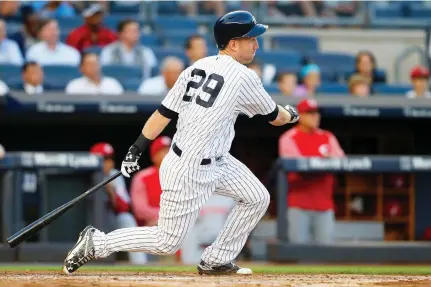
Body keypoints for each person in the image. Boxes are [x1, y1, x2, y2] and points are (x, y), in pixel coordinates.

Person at [63, 10, 299, 276]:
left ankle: (216, 259)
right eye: (251, 39)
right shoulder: (244, 76)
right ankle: (98, 243)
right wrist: (292, 113)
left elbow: (162, 114)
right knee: (167, 241)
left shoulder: (196, 67)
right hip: (189, 168)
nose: (256, 44)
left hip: (218, 160)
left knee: (257, 197)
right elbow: (276, 118)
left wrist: (136, 147)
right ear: (233, 43)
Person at [130, 136, 235, 265]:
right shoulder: (143, 177)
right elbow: (139, 209)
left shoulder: (185, 176)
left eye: (169, 150)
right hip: (152, 223)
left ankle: (206, 262)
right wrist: (166, 216)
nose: (167, 154)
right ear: (153, 156)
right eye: (162, 151)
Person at [278, 98, 344, 244]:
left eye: (316, 113)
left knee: (326, 253)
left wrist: (321, 163)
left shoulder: (327, 137)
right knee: (297, 251)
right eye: (310, 113)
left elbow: (341, 161)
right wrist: (324, 162)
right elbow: (297, 167)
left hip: (325, 203)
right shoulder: (289, 138)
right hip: (299, 203)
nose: (315, 116)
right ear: (300, 116)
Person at [89, 142, 147, 265]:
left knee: (126, 219)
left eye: (110, 158)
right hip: (88, 222)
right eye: (104, 158)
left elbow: (125, 207)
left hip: (109, 221)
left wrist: (112, 193)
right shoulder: (84, 174)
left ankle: (140, 264)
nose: (108, 162)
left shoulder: (114, 175)